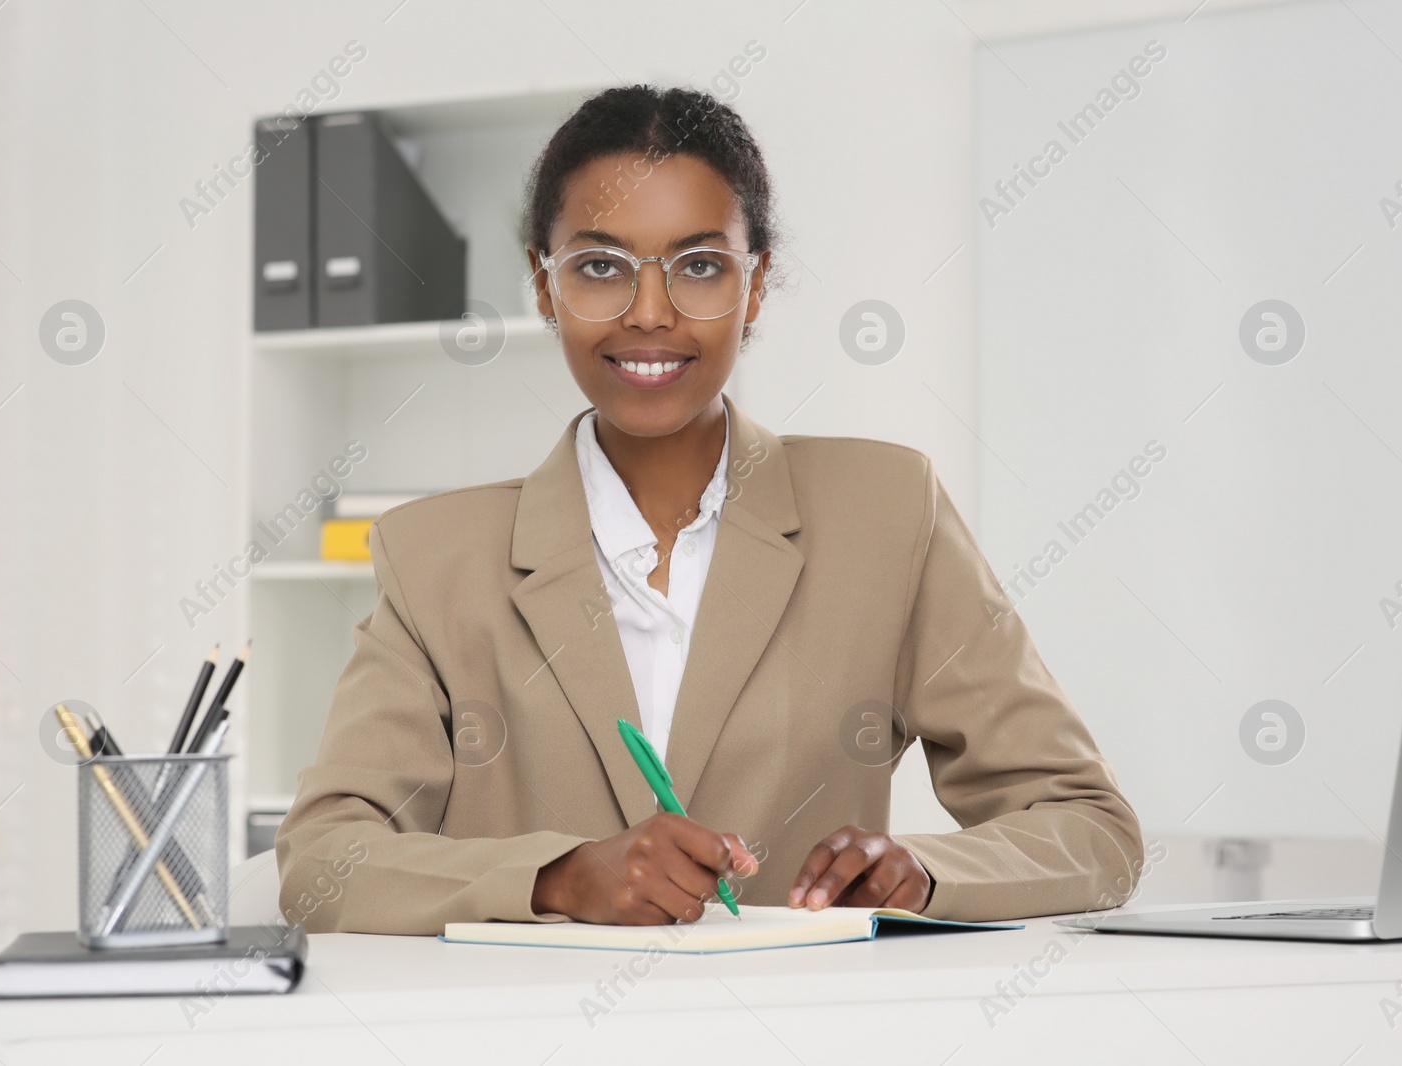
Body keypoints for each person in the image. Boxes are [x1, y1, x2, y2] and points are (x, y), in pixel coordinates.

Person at [275, 85, 1144, 935]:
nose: (649, 314)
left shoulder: (886, 514)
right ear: (544, 290)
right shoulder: (437, 557)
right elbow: (322, 865)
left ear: (756, 284)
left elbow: (1090, 828)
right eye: (599, 266)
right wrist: (562, 879)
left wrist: (922, 874)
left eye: (698, 266)